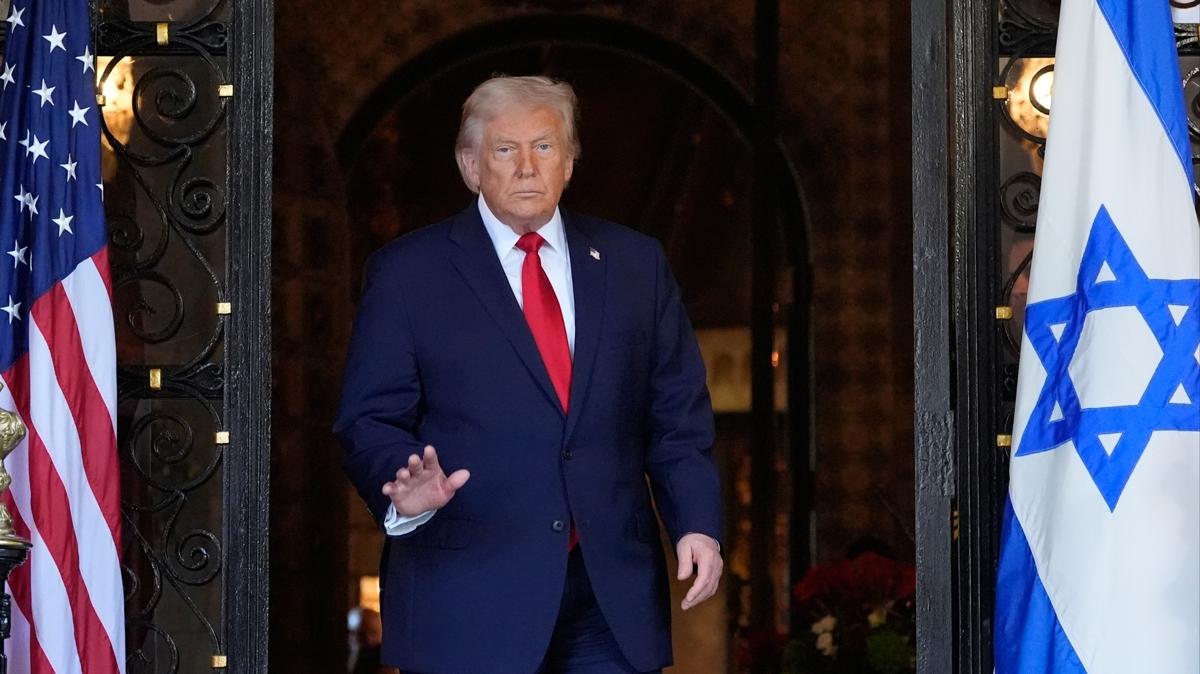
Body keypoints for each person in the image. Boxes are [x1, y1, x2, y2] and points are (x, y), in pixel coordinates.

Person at [335, 75, 723, 674]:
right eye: (504, 149)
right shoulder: (408, 273)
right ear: (470, 166)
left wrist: (696, 523)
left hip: (607, 596)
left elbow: (676, 415)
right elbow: (368, 419)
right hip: (467, 591)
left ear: (568, 162)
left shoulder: (635, 264)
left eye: (544, 146)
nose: (526, 167)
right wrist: (402, 486)